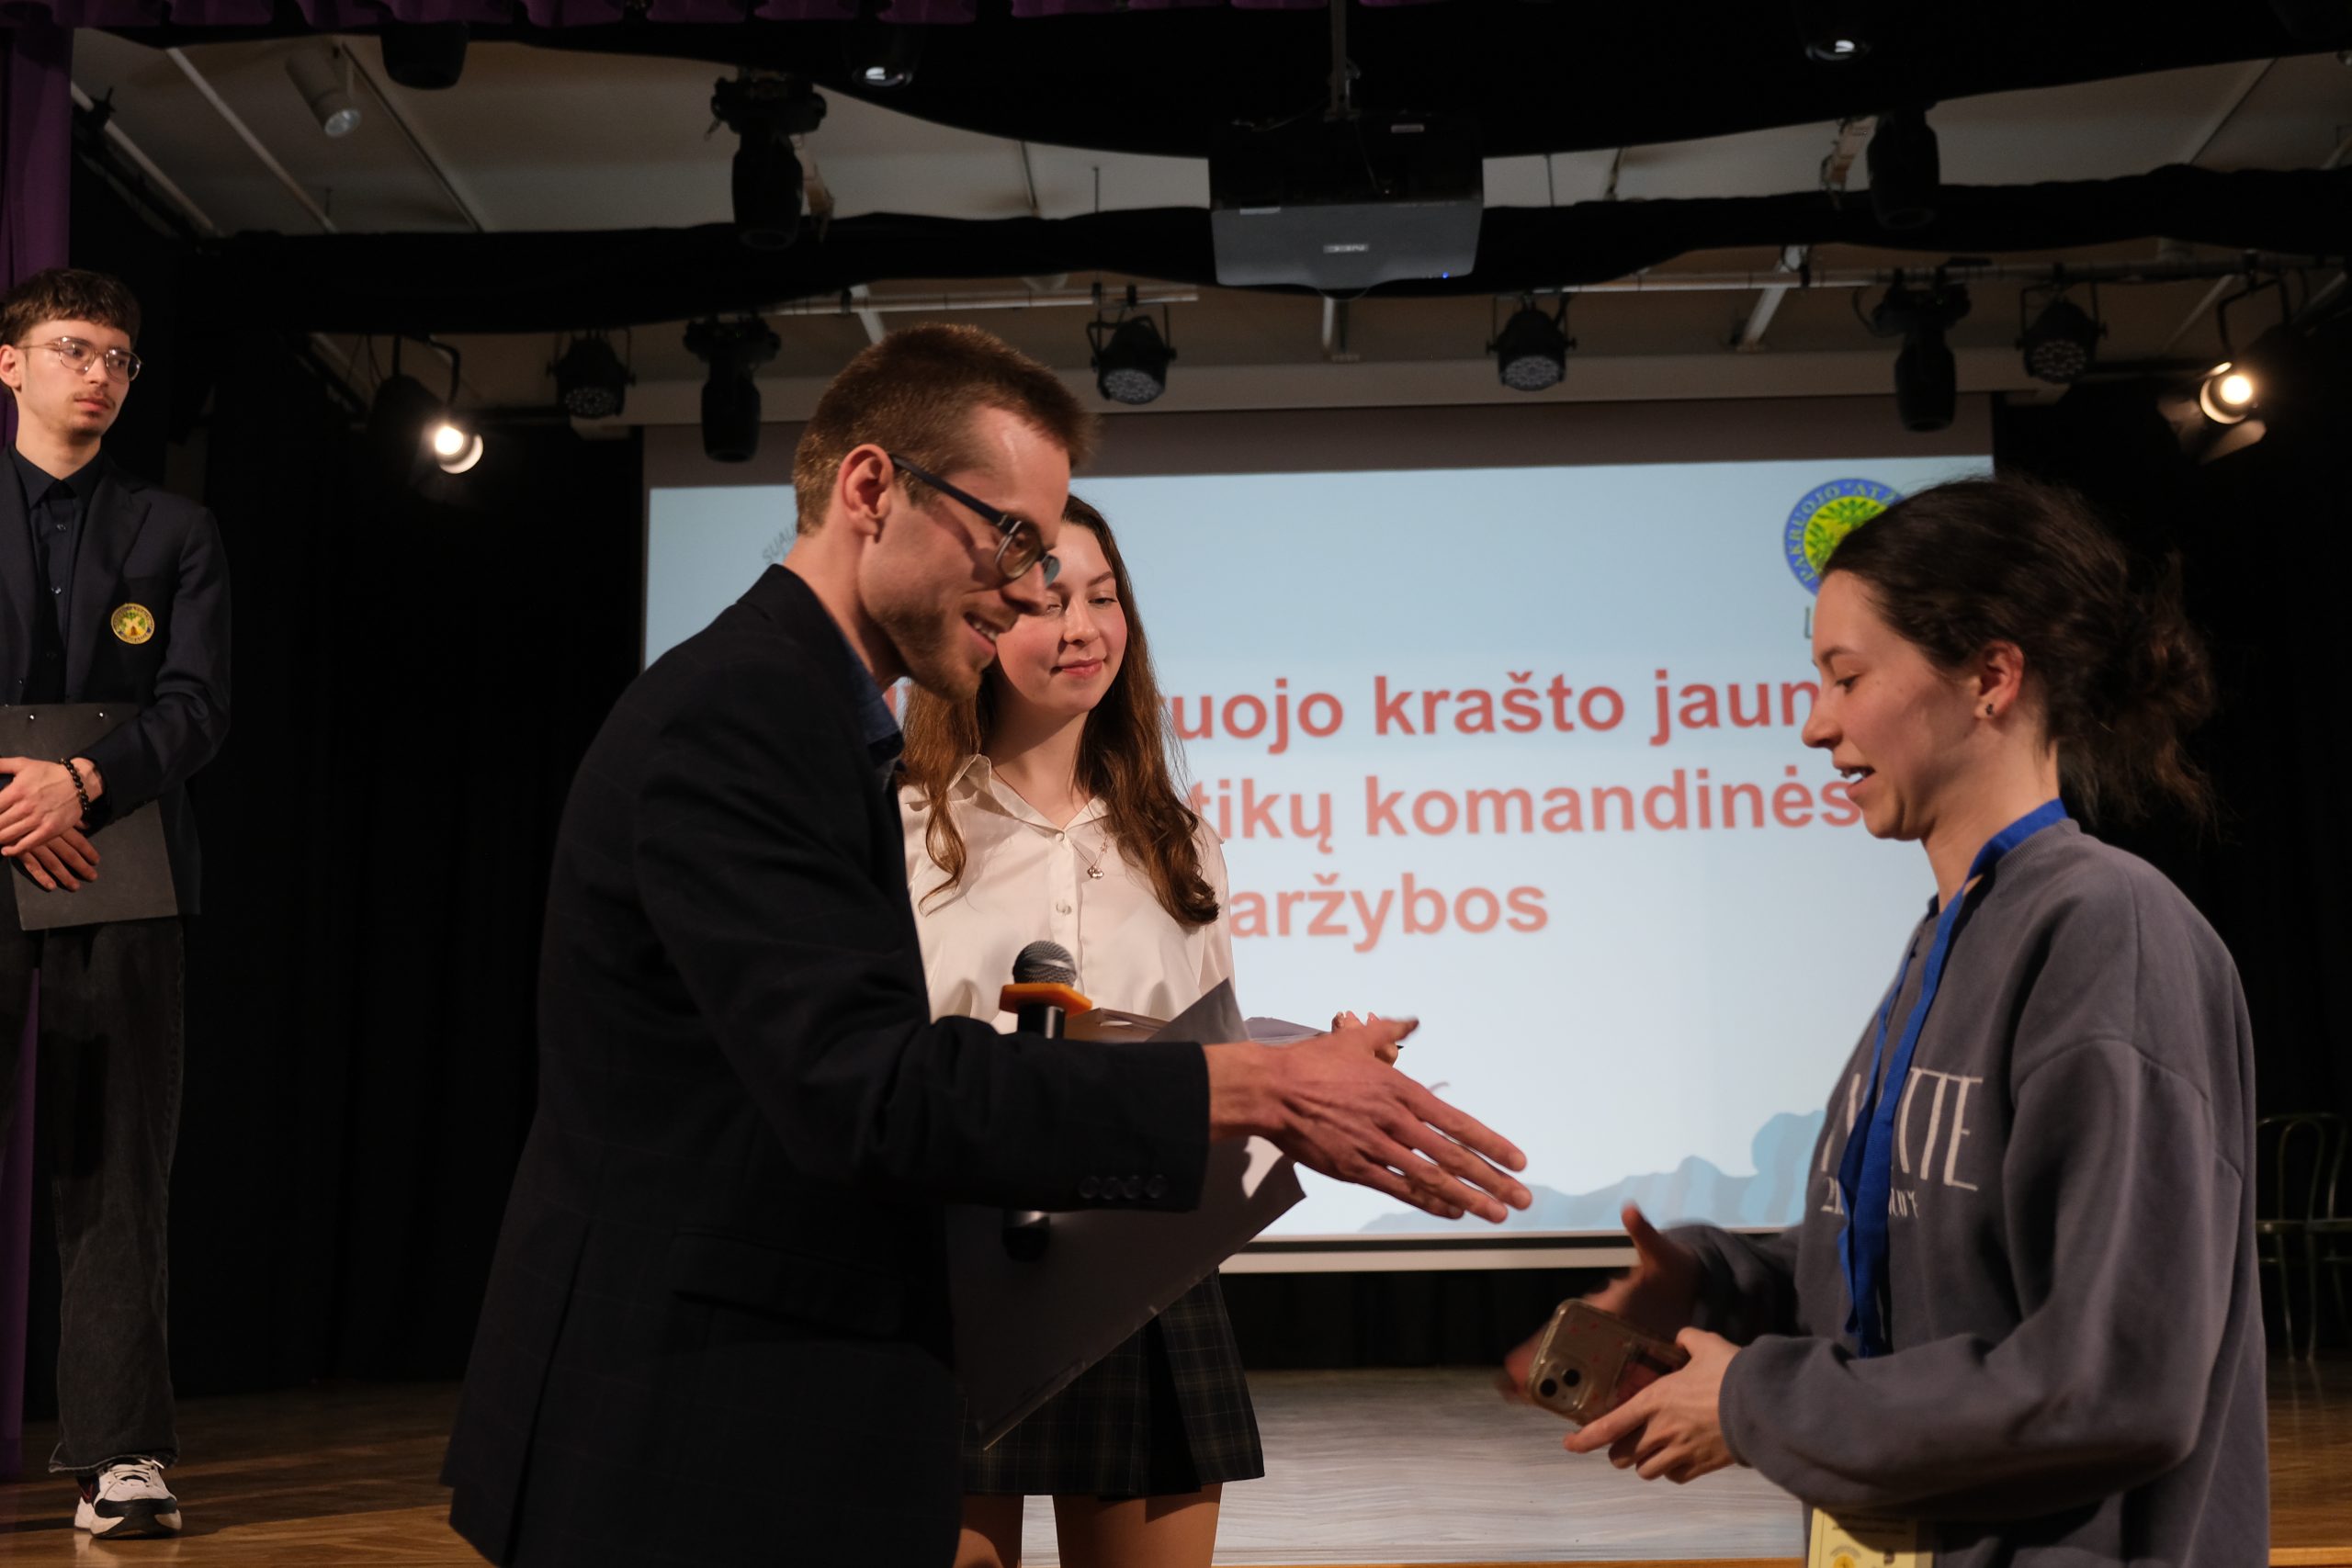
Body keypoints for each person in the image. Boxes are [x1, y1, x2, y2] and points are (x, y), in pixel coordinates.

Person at [443, 324, 1530, 1568]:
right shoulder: (746, 715)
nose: (1029, 591)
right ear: (871, 488)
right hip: (697, 1419)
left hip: (769, 1395)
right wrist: (1251, 1088)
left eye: (1063, 564)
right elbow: (864, 1090)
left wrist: (1259, 1068)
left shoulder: (797, 712)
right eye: (1009, 539)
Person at [1506, 474, 2265, 1566]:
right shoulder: (1950, 935)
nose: (1816, 724)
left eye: (1847, 676)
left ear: (1990, 678)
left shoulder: (2107, 930)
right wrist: (1717, 1280)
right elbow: (1928, 1264)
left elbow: (2113, 1382)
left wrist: (1755, 1402)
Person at [901, 497, 1258, 1568]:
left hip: (1138, 1258)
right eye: (1045, 604)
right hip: (947, 1261)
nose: (1083, 629)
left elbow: (1210, 1045)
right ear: (978, 621)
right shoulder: (906, 822)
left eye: (1103, 598)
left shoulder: (1178, 837)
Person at [0, 266, 232, 1539]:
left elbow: (198, 706)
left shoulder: (174, 529)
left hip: (119, 846)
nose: (97, 373)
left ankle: (120, 1455)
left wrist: (78, 783)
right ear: (11, 364)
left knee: (117, 1156)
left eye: (117, 359)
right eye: (71, 348)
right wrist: (14, 794)